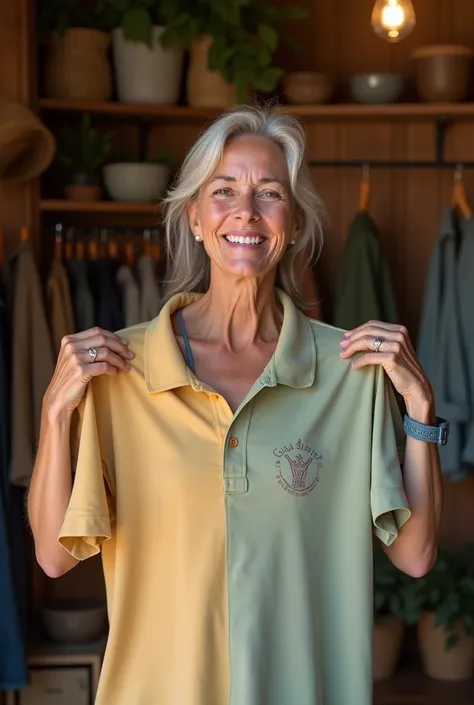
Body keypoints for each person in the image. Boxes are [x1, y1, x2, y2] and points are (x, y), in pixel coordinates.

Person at [28, 106, 444, 705]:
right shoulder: (125, 370)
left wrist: (421, 414)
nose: (246, 211)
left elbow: (415, 555)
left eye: (269, 193)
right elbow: (52, 557)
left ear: (294, 223)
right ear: (195, 218)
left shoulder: (348, 372)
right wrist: (54, 414)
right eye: (223, 191)